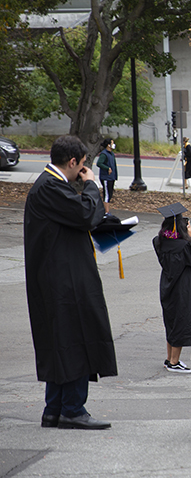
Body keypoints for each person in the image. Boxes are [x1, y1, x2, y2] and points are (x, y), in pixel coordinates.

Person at [25, 135, 116, 430]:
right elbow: (86, 214)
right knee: (75, 339)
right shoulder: (50, 186)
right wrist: (92, 185)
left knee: (61, 343)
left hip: (58, 277)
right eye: (83, 166)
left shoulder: (48, 186)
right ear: (73, 161)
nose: (84, 171)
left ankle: (55, 409)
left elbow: (77, 217)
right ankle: (72, 409)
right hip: (64, 282)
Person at [153, 203, 191, 373]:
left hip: (166, 285)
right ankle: (174, 362)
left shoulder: (158, 241)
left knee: (170, 321)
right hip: (182, 288)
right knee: (180, 321)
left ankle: (169, 358)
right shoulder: (184, 246)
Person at [96, 138, 117, 215]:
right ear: (108, 145)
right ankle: (106, 212)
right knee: (107, 194)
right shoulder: (104, 154)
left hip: (111, 177)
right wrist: (107, 168)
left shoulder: (111, 153)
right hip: (106, 177)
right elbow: (99, 163)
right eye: (112, 143)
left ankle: (106, 210)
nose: (113, 144)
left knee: (110, 193)